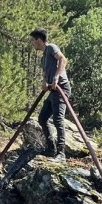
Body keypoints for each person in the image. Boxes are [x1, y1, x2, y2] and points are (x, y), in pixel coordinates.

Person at [30, 28, 71, 162]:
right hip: (53, 91)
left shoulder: (52, 48)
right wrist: (45, 82)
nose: (32, 43)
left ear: (39, 40)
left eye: (33, 40)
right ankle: (51, 148)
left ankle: (61, 153)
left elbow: (63, 60)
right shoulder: (43, 57)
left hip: (61, 89)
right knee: (42, 118)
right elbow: (46, 73)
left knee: (58, 120)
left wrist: (56, 78)